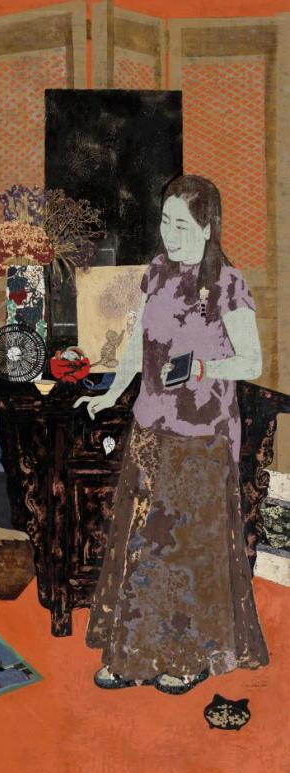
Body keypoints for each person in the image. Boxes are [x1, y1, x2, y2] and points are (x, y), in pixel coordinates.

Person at [74, 174, 269, 696]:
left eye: (183, 225)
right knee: (140, 543)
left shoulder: (229, 284)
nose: (171, 234)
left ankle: (187, 657)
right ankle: (130, 655)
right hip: (150, 426)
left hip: (201, 436)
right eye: (166, 222)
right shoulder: (157, 274)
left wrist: (203, 367)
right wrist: (112, 393)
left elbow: (252, 361)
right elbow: (138, 344)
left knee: (182, 550)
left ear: (207, 227)